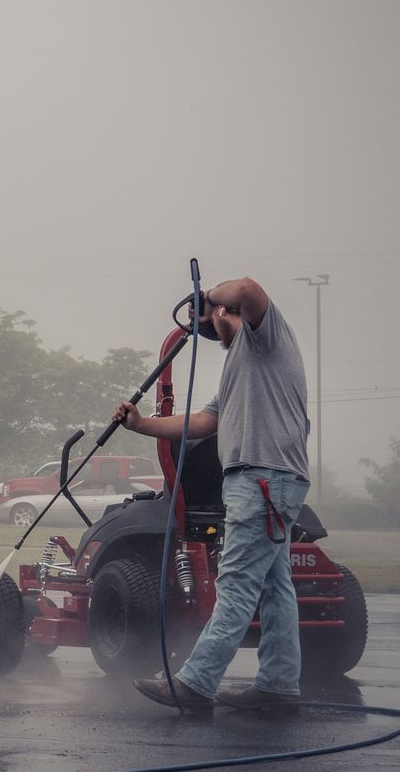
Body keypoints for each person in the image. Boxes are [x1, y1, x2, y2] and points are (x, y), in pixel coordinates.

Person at [112, 277, 311, 712]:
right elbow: (204, 421)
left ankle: (196, 683)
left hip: (263, 478)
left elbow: (249, 289)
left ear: (223, 312)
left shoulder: (266, 336)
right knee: (275, 588)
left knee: (236, 584)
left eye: (209, 322)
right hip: (270, 480)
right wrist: (141, 424)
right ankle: (279, 685)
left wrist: (208, 297)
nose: (208, 333)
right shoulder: (243, 363)